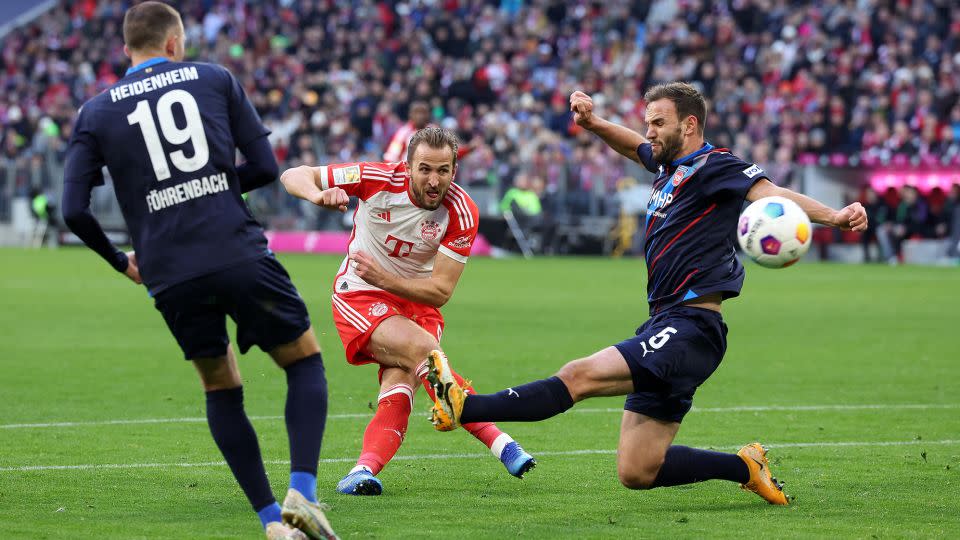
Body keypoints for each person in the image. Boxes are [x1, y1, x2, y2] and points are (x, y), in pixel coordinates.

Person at [424, 83, 868, 505]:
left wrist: (834, 215)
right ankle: (744, 467)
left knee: (579, 376)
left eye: (658, 122)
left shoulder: (717, 166)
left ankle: (465, 406)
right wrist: (594, 123)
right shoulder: (668, 166)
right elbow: (633, 145)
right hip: (665, 324)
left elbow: (770, 194)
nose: (650, 132)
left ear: (689, 125)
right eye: (648, 123)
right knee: (638, 470)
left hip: (692, 327)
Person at [60, 4, 336, 539]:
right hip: (234, 248)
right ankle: (302, 489)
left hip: (168, 271)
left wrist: (123, 261)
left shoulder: (95, 112)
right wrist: (210, 189)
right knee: (303, 362)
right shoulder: (214, 78)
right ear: (173, 43)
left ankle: (271, 524)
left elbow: (74, 210)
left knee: (219, 386)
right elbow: (263, 167)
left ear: (127, 50)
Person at [279, 127, 536, 496]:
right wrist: (317, 194)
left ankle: (362, 470)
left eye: (443, 170)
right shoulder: (374, 178)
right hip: (361, 295)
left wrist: (384, 275)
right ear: (408, 166)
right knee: (425, 354)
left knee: (400, 383)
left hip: (418, 303)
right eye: (425, 169)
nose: (434, 181)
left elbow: (440, 291)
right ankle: (501, 442)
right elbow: (293, 175)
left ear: (454, 170)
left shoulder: (461, 211)